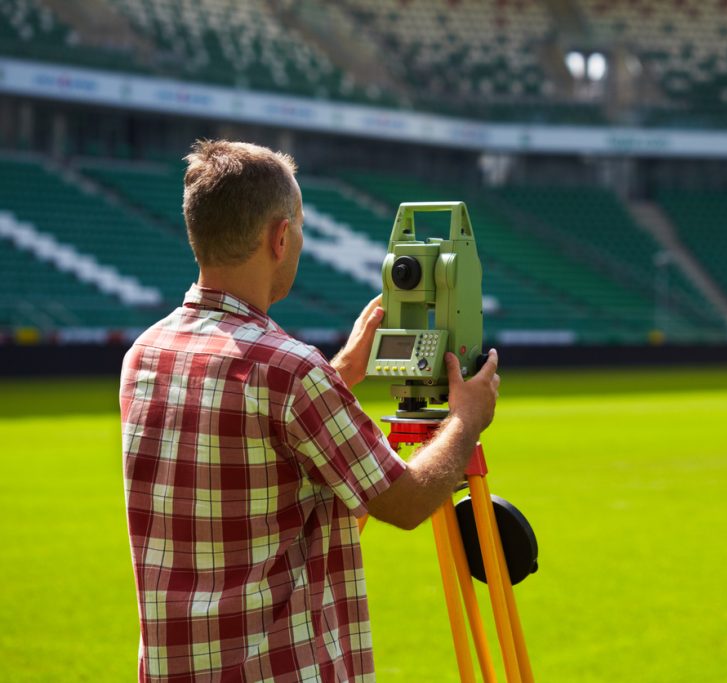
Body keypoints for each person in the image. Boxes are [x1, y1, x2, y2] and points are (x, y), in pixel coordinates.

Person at [119, 140, 500, 682]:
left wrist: (340, 371)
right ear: (280, 237)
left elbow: (249, 432)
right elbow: (408, 501)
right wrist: (465, 417)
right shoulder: (293, 373)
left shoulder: (145, 355)